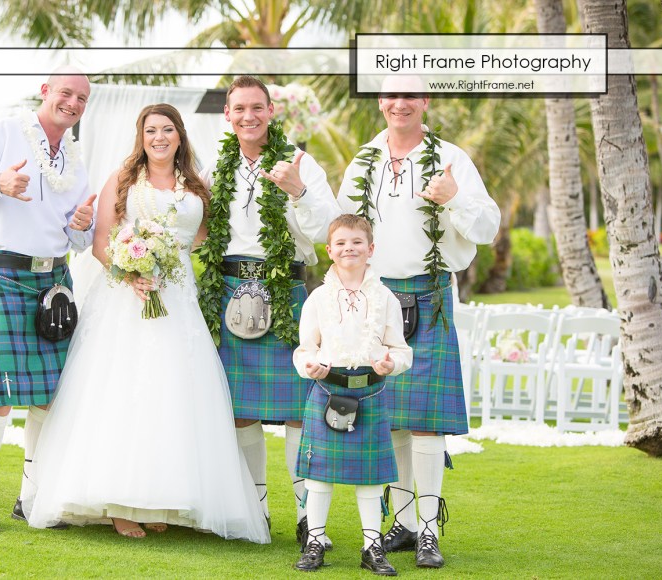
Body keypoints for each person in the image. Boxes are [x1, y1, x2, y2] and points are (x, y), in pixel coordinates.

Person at [26, 103, 270, 544]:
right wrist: (130, 271)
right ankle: (120, 505)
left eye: (168, 129)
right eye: (151, 130)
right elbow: (101, 244)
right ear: (141, 136)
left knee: (173, 392)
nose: (159, 137)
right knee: (126, 389)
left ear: (180, 135)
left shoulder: (197, 183)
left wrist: (172, 260)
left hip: (179, 296)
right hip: (127, 297)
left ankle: (159, 498)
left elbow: (203, 238)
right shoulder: (123, 180)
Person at [337, 76, 500, 568]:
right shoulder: (363, 162)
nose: (400, 103)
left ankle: (429, 530)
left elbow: (488, 228)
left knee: (427, 425)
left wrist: (452, 197)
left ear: (425, 101)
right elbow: (345, 234)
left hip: (429, 297)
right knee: (390, 425)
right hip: (377, 299)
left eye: (411, 95)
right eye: (391, 95)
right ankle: (405, 525)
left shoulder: (452, 159)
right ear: (381, 102)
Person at [0, 66, 96, 534]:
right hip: (4, 275)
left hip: (55, 280)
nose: (72, 104)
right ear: (45, 91)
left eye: (81, 99)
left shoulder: (74, 159)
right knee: (0, 397)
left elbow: (79, 237)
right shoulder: (6, 132)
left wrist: (82, 226)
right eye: (65, 93)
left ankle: (30, 498)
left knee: (49, 398)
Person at [197, 75, 342, 546]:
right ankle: (254, 511)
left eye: (257, 108)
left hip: (286, 291)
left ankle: (306, 517)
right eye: (239, 109)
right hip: (228, 286)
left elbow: (326, 230)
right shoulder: (215, 167)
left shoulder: (299, 161)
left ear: (271, 112)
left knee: (300, 410)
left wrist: (298, 190)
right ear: (228, 115)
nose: (248, 116)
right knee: (240, 412)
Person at [292, 214, 412, 575]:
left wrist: (393, 363)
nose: (349, 249)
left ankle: (372, 548)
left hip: (370, 393)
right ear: (329, 250)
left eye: (357, 242)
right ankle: (315, 542)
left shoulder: (385, 297)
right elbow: (304, 349)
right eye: (341, 243)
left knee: (371, 478)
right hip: (328, 389)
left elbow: (401, 349)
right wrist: (310, 365)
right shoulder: (317, 299)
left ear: (371, 249)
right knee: (318, 476)